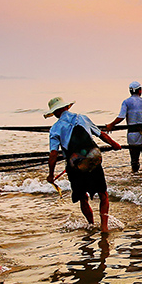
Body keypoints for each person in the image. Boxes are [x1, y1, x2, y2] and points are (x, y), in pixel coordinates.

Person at [46, 96, 121, 232]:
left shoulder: (55, 128)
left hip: (75, 166)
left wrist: (50, 175)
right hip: (93, 159)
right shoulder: (82, 118)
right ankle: (104, 227)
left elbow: (53, 155)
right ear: (67, 107)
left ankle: (91, 224)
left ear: (55, 113)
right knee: (103, 194)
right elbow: (101, 134)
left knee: (82, 197)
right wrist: (115, 144)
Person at [105, 81, 142, 173]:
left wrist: (111, 125)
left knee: (134, 159)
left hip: (132, 135)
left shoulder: (126, 102)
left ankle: (134, 174)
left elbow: (121, 117)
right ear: (139, 91)